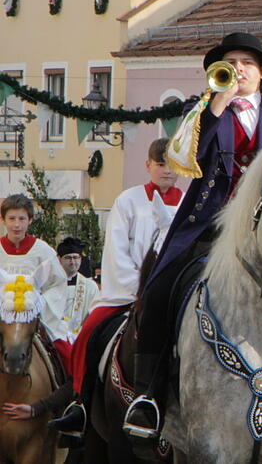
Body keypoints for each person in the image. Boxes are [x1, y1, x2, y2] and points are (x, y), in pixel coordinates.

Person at [123, 32, 262, 439]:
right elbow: (182, 158)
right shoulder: (202, 112)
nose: (238, 68)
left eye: (247, 62)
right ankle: (148, 396)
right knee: (159, 291)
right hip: (210, 226)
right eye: (230, 62)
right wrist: (216, 105)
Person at [48, 138, 182, 440]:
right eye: (161, 164)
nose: (167, 171)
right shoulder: (128, 201)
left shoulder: (188, 204)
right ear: (148, 165)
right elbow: (118, 253)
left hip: (173, 296)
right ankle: (80, 405)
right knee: (88, 334)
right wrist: (141, 292)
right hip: (129, 294)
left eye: (173, 165)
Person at [1, 238, 100, 432]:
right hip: (31, 319)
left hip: (72, 333)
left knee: (79, 366)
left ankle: (76, 406)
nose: (73, 262)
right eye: (68, 258)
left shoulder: (89, 286)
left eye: (76, 258)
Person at [0, 194, 59, 277]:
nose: (17, 224)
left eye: (22, 219)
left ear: (30, 220)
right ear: (3, 220)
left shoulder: (43, 250)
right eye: (12, 218)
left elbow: (56, 283)